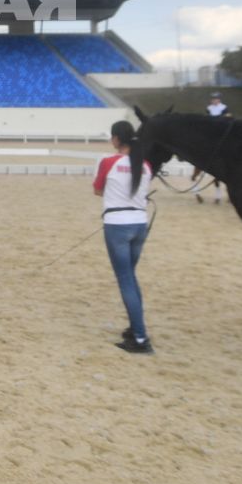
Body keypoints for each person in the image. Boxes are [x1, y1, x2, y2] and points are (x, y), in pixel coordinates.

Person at [95, 120, 155, 355]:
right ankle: (135, 328)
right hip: (139, 223)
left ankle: (140, 338)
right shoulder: (146, 165)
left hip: (117, 224)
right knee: (131, 276)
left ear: (117, 139)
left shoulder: (109, 162)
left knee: (125, 279)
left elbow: (98, 190)